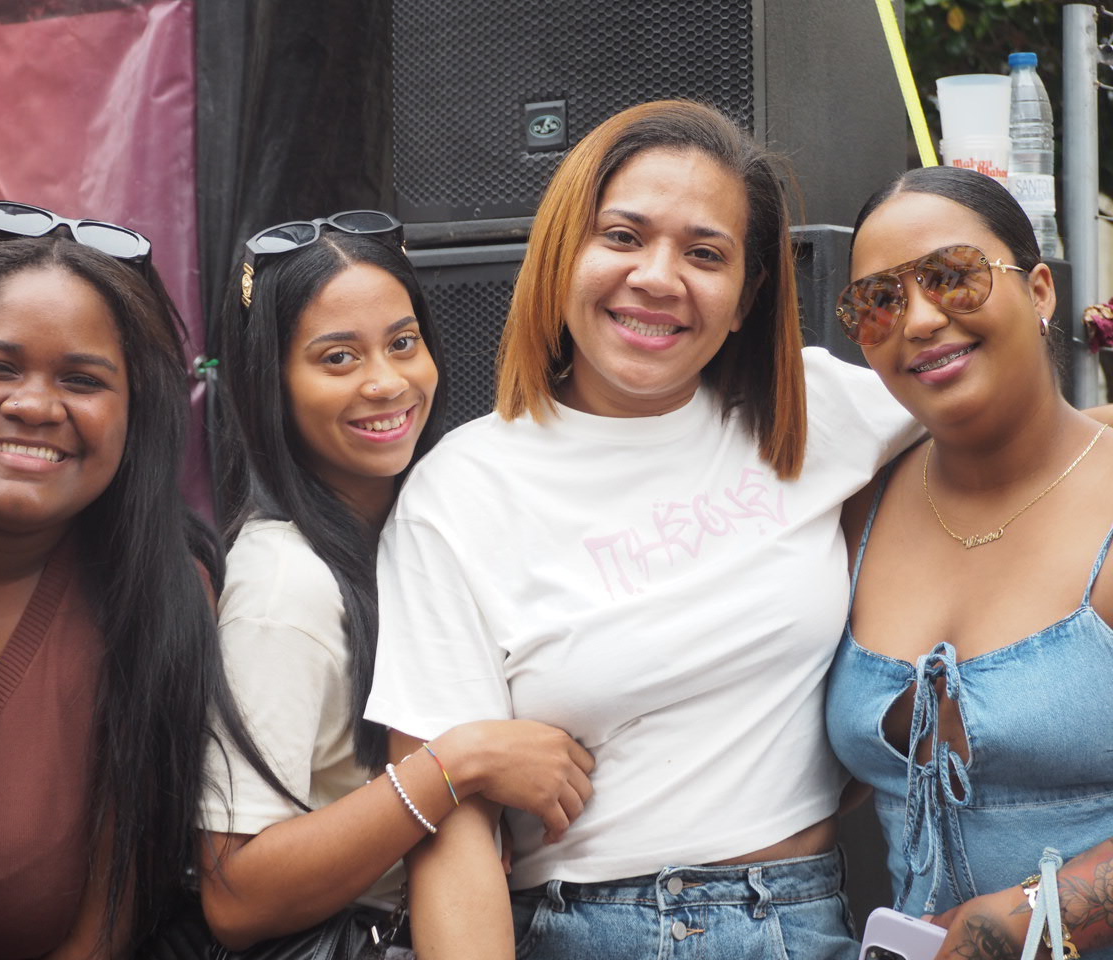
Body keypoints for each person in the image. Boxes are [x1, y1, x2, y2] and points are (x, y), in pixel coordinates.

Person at [363, 99, 923, 960]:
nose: (658, 277)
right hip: (577, 929)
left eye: (705, 253)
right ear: (562, 256)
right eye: (623, 237)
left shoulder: (813, 410)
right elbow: (451, 833)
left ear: (747, 297)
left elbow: (1038, 437)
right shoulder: (460, 490)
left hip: (798, 922)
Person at [0, 202, 255, 958]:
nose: (32, 406)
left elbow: (107, 921)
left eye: (83, 380)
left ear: (136, 416)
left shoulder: (164, 591)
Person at [198, 212, 596, 953]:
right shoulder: (285, 586)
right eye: (338, 358)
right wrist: (461, 765)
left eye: (403, 343)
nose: (386, 382)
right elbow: (235, 894)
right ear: (269, 382)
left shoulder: (439, 528)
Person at [825, 166, 1113, 960]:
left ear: (1041, 291)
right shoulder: (855, 509)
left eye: (954, 277)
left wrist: (1029, 920)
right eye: (879, 300)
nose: (919, 320)